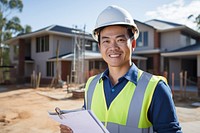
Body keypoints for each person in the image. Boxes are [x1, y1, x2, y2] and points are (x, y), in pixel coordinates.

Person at [60, 5, 182, 133]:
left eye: (120, 39)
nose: (113, 47)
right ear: (100, 46)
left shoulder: (155, 88)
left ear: (133, 44)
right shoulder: (91, 84)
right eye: (106, 41)